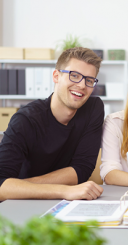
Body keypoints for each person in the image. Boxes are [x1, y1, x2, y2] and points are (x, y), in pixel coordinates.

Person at [0, 47, 104, 201]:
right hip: (25, 202)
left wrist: (21, 186)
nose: (82, 85)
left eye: (89, 80)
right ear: (56, 76)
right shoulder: (25, 120)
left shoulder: (93, 108)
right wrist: (63, 191)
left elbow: (82, 168)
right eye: (74, 76)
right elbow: (2, 185)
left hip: (68, 203)